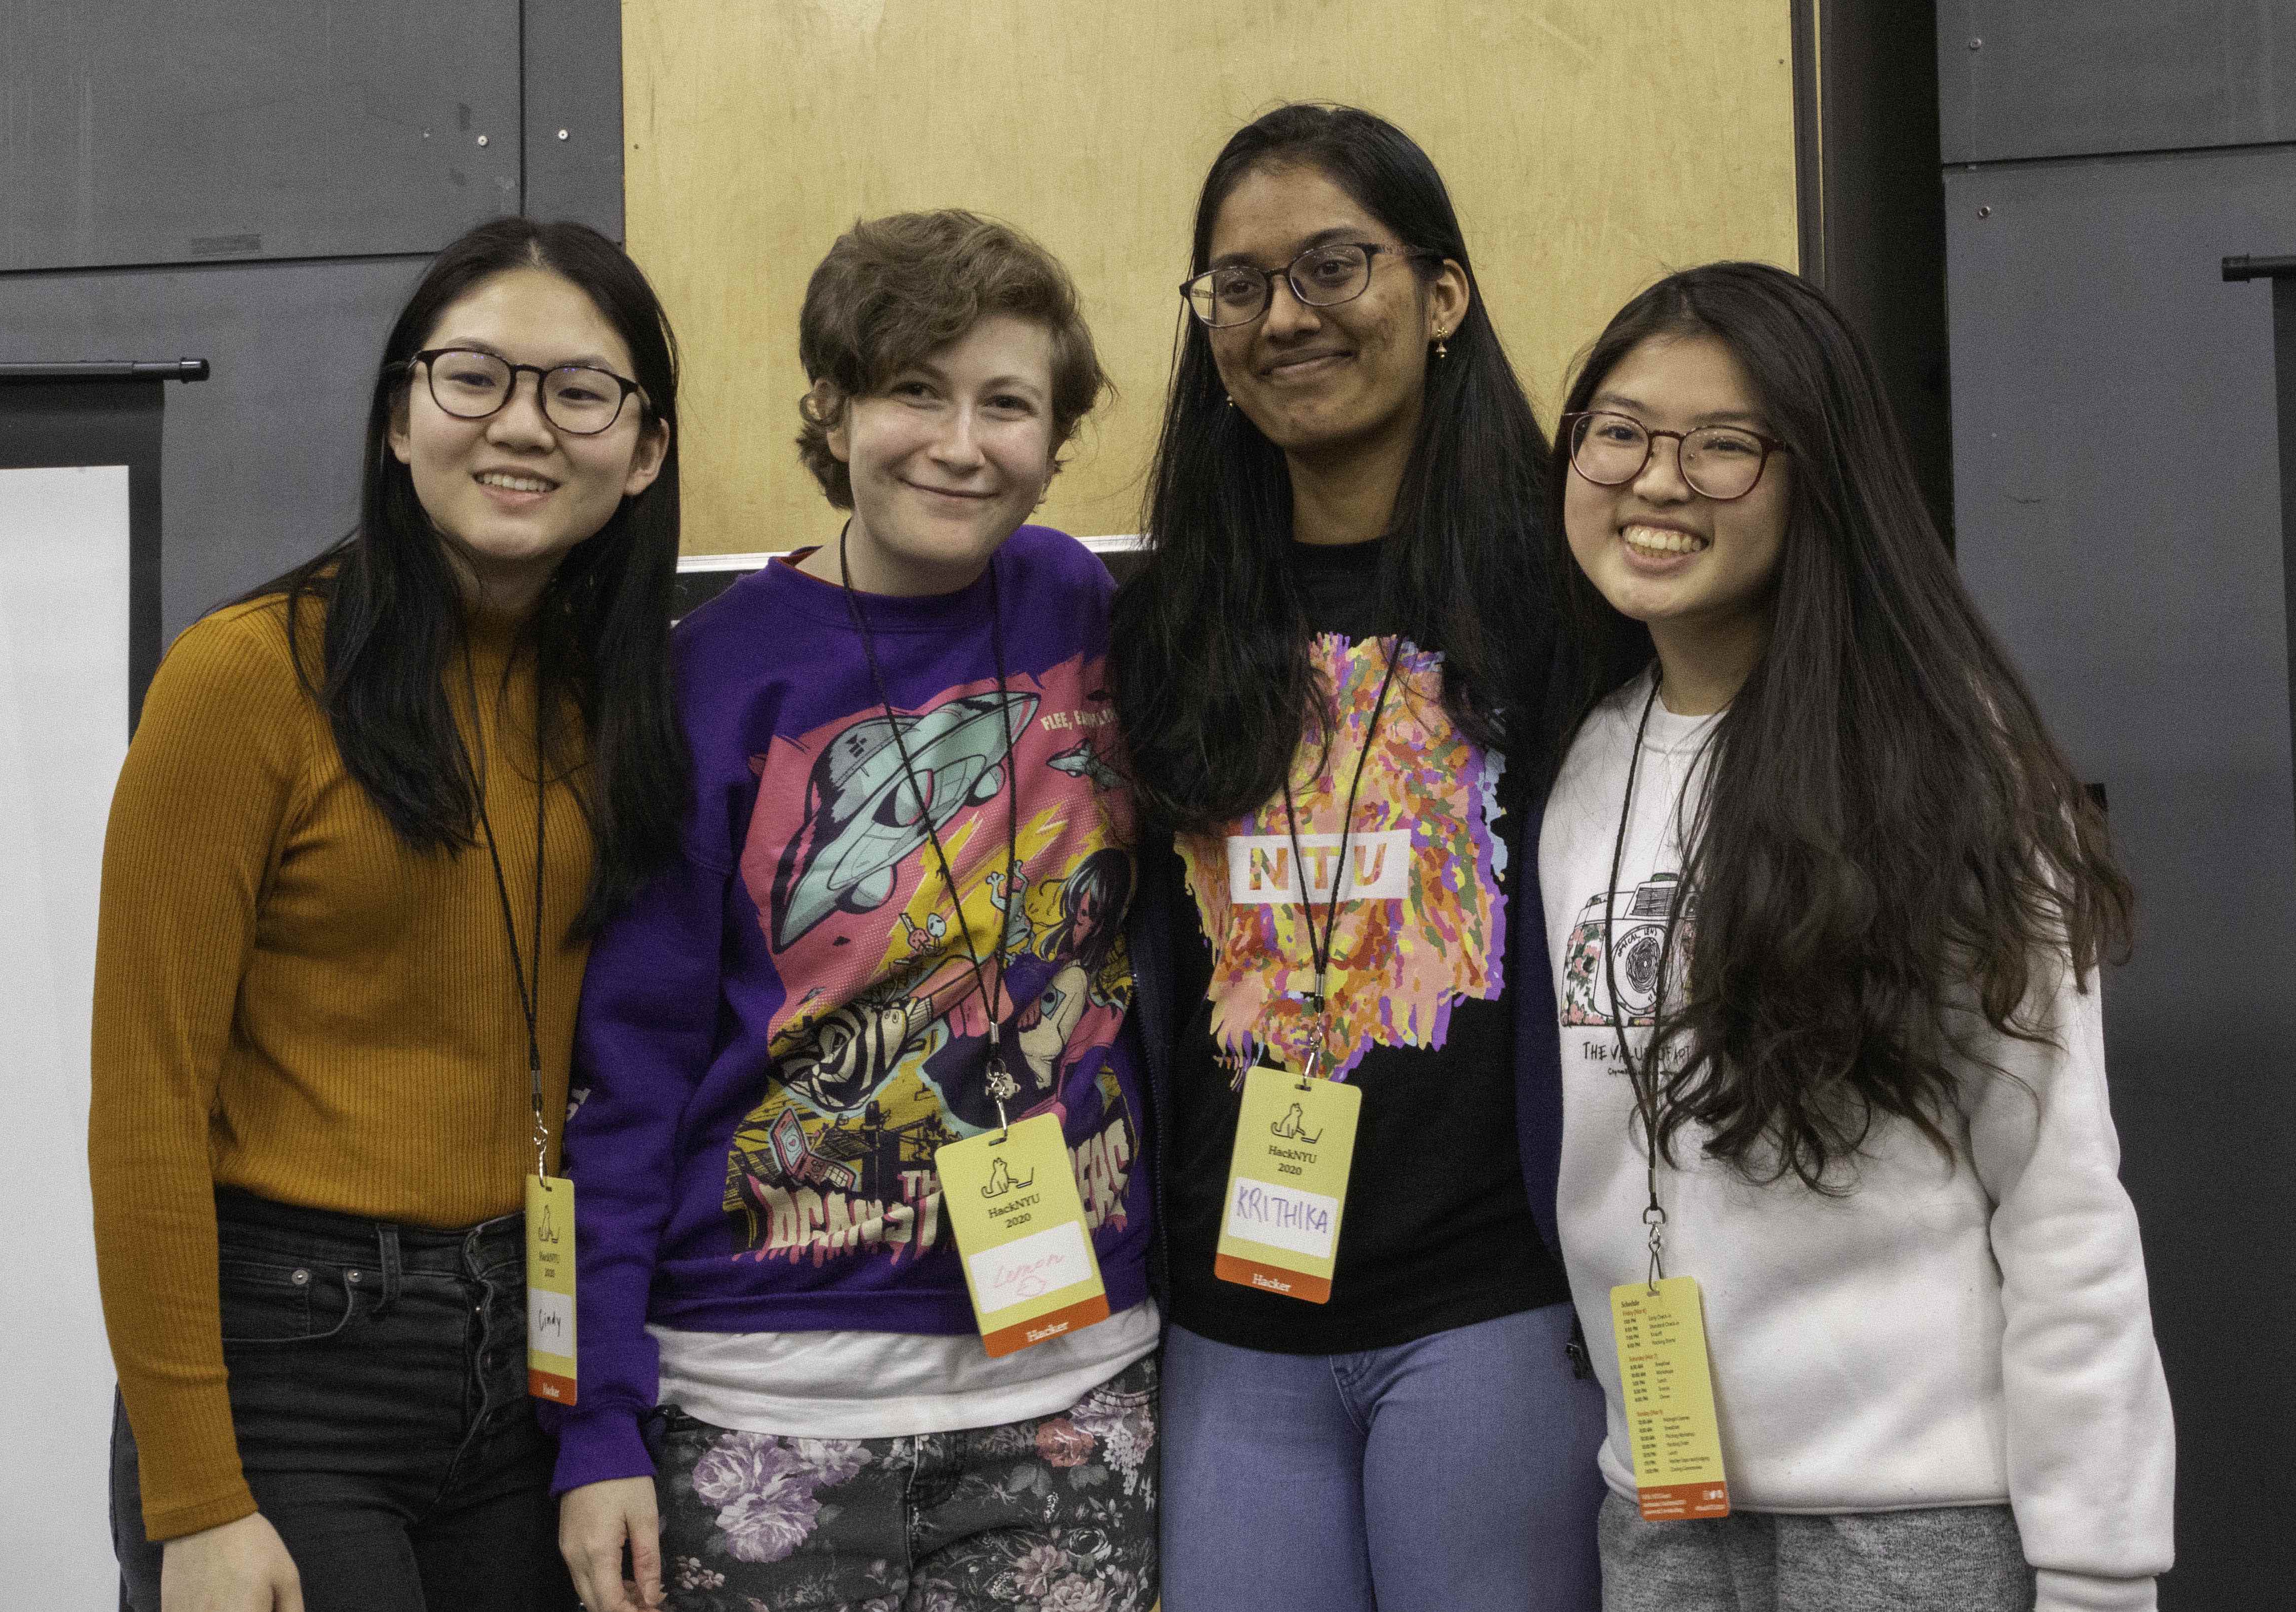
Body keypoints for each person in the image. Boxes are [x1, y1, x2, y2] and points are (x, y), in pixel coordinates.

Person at [1537, 261, 2174, 1611]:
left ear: (1819, 476)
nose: (1658, 479)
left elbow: (2061, 1200)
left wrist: (2102, 1571)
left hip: (1913, 1523)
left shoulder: (1947, 773)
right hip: (1659, 1502)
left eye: (1722, 445)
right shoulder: (1588, 764)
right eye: (1621, 431)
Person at [550, 210, 1159, 1612]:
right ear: (831, 408)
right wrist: (593, 1419)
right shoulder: (710, 677)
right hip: (760, 1400)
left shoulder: (1077, 603)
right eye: (911, 392)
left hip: (1073, 1390)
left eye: (1006, 402)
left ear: (1057, 435)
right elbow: (625, 1079)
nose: (959, 442)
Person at [92, 216, 682, 1612]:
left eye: (580, 390)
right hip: (285, 1374)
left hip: (513, 1375)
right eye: (474, 377)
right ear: (400, 419)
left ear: (644, 448)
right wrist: (197, 1499)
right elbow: (146, 1107)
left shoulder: (620, 710)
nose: (523, 426)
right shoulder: (244, 682)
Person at [1110, 103, 1606, 1612]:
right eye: (1239, 286)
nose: (1285, 317)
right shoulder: (1163, 617)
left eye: (1334, 264)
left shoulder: (1572, 590)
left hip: (1491, 1304)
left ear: (1442, 295)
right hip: (1232, 1325)